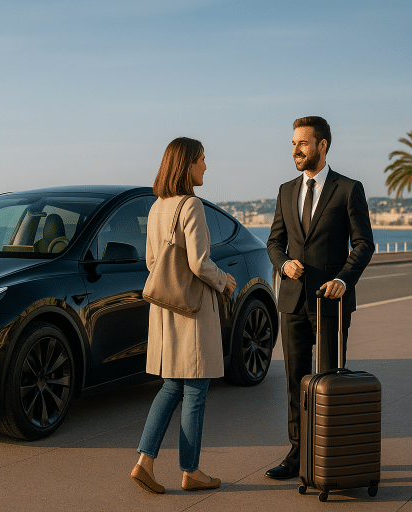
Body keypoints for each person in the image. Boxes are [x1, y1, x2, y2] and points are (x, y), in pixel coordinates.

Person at [265, 117, 375, 480]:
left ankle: (328, 459)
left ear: (323, 145)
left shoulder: (347, 189)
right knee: (296, 381)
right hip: (292, 302)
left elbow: (364, 243)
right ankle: (297, 456)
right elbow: (274, 242)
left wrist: (344, 278)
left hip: (331, 300)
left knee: (328, 381)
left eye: (303, 143)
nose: (295, 150)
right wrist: (284, 265)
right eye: (293, 143)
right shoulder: (285, 191)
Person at [131, 137, 237, 494]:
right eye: (202, 160)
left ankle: (145, 461)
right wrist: (224, 281)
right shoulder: (191, 205)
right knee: (196, 389)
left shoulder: (157, 206)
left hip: (165, 311)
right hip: (193, 313)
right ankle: (190, 471)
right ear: (187, 164)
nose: (206, 166)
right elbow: (198, 263)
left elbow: (150, 263)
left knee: (171, 385)